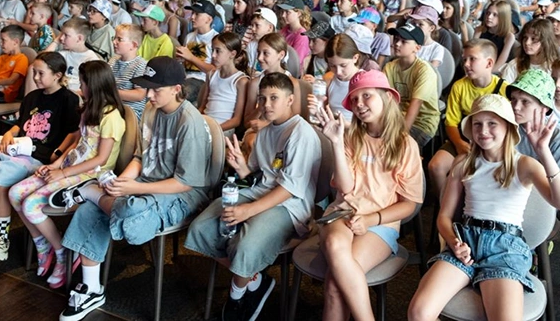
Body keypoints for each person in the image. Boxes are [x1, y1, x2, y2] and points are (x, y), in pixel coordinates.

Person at [58, 57, 213, 320]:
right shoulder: (151, 111)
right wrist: (123, 182)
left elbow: (185, 182)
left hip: (182, 193)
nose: (148, 96)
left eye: (156, 90)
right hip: (147, 183)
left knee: (133, 217)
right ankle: (91, 288)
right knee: (89, 210)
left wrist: (132, 189)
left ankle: (92, 192)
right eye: (147, 88)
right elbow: (141, 157)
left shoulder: (190, 122)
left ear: (176, 89)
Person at [408, 93, 560, 321]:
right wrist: (453, 242)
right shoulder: (463, 163)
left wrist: (543, 151)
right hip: (466, 240)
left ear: (508, 127)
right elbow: (444, 217)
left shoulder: (525, 165)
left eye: (492, 123)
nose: (483, 130)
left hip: (505, 248)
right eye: (477, 124)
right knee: (418, 313)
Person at [185, 72, 322, 321]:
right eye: (262, 98)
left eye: (274, 98)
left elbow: (289, 189)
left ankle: (237, 296)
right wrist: (242, 168)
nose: (266, 105)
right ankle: (255, 278)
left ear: (290, 100)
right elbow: (258, 176)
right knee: (201, 227)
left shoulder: (300, 133)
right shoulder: (267, 130)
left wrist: (247, 211)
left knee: (245, 246)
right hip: (260, 193)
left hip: (290, 205)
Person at [0, 52, 80, 262]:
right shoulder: (32, 97)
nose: (35, 78)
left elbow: (74, 133)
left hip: (39, 158)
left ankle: (1, 239)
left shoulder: (69, 100)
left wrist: (57, 155)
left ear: (57, 75)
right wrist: (10, 133)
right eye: (34, 72)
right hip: (18, 150)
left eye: (40, 73)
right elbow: (21, 125)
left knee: (3, 175)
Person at [315, 70, 423, 321]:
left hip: (380, 223)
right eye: (354, 99)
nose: (359, 104)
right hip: (343, 213)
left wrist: (370, 219)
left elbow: (409, 204)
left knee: (335, 285)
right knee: (334, 245)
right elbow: (345, 189)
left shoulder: (405, 145)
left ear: (386, 97)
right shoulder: (351, 137)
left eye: (367, 96)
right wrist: (336, 143)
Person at [9, 61, 126, 290]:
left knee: (31, 205)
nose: (79, 87)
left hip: (89, 176)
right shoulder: (89, 107)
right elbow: (78, 144)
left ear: (94, 85)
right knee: (14, 194)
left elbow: (100, 159)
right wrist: (56, 164)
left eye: (82, 83)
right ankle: (43, 245)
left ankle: (61, 252)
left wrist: (62, 172)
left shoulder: (111, 116)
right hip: (71, 167)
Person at [427, 39, 506, 198]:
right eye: (464, 60)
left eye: (472, 59)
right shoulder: (459, 86)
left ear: (489, 63)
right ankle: (444, 204)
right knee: (435, 166)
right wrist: (458, 143)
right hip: (464, 137)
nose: (466, 64)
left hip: (492, 141)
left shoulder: (504, 89)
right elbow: (451, 123)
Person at [242, 33, 302, 158]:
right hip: (257, 131)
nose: (259, 58)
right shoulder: (255, 83)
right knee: (253, 143)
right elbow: (247, 122)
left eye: (266, 53)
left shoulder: (292, 83)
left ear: (281, 55)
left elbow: (296, 120)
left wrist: (267, 126)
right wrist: (260, 107)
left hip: (284, 131)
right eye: (258, 52)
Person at [384, 23, 440, 147]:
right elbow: (388, 99)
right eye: (396, 39)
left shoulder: (424, 70)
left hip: (422, 122)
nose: (397, 44)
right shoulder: (389, 67)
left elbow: (416, 104)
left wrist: (400, 135)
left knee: (393, 145)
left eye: (404, 41)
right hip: (398, 117)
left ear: (417, 48)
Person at [308, 33, 374, 120]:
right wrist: (316, 111)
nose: (338, 72)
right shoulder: (328, 79)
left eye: (343, 65)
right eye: (332, 66)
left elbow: (370, 122)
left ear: (355, 58)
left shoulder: (366, 82)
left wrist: (342, 124)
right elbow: (323, 112)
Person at [200, 32, 249, 136]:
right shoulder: (211, 75)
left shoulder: (241, 81)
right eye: (212, 50)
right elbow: (203, 107)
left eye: (218, 51)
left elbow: (236, 120)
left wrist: (214, 129)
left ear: (232, 54)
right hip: (205, 125)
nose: (213, 55)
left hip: (224, 129)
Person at [509, 69, 560, 165]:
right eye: (513, 99)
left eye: (525, 101)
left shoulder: (556, 138)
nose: (516, 107)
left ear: (545, 107)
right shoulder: (505, 128)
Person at [175, 0, 218, 103]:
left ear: (208, 19)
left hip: (202, 80)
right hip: (184, 77)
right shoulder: (189, 36)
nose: (192, 17)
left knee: (179, 95)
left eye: (197, 14)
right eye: (192, 13)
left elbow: (215, 70)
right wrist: (181, 59)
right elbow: (184, 63)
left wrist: (191, 57)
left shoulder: (216, 39)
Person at [42, 18, 100, 94]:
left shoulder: (91, 59)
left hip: (76, 96)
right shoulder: (64, 54)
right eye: (61, 34)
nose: (61, 38)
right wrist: (56, 41)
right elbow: (43, 60)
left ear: (79, 38)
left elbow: (93, 89)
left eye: (66, 35)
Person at [108, 24, 148, 122]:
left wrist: (110, 92)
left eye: (119, 39)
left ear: (133, 45)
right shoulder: (113, 61)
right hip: (113, 107)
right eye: (114, 38)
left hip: (131, 113)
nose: (114, 42)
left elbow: (139, 95)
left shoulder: (141, 65)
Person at [500, 18, 558, 84]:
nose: (527, 43)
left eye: (534, 39)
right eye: (525, 37)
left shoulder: (554, 67)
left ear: (546, 42)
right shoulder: (514, 65)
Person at [474, 0, 515, 72]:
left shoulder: (509, 37)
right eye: (488, 13)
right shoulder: (479, 30)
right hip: (478, 66)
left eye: (495, 15)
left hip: (494, 71)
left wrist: (485, 73)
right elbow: (473, 52)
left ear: (503, 17)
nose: (489, 17)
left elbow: (500, 63)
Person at [278, 0, 311, 75]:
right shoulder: (285, 29)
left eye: (287, 12)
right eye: (283, 11)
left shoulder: (302, 36)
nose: (283, 15)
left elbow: (295, 63)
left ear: (298, 13)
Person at [242, 7, 277, 76]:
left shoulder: (278, 47)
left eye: (257, 25)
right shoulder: (251, 45)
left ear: (270, 28)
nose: (253, 29)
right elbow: (249, 68)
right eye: (252, 25)